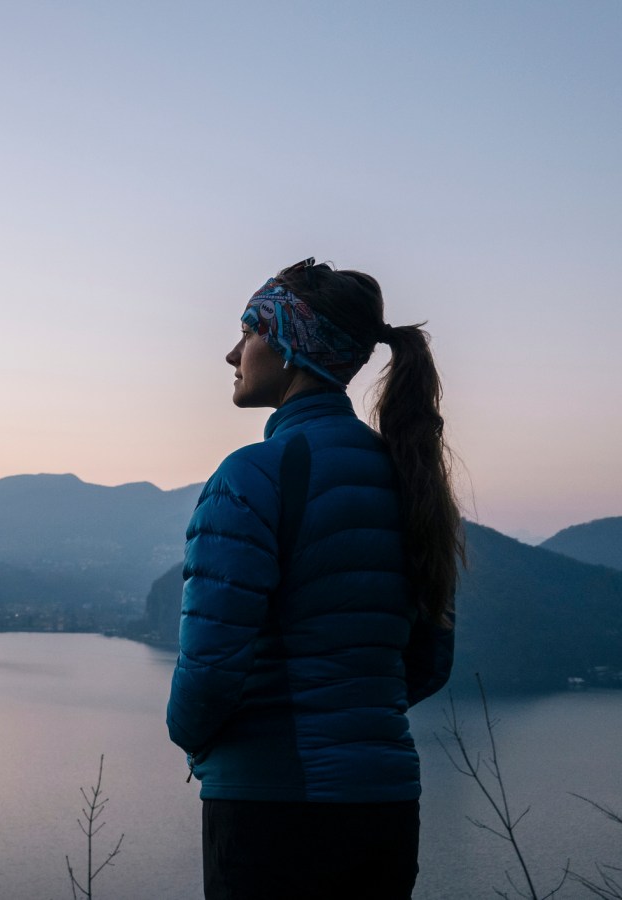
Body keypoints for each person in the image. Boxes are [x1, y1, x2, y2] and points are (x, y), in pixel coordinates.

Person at [166, 258, 461, 899]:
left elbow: (210, 670)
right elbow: (430, 660)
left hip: (272, 810)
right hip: (385, 809)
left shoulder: (254, 476)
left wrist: (197, 741)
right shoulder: (412, 482)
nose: (231, 353)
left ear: (293, 345)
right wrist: (349, 716)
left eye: (249, 330)